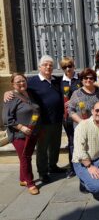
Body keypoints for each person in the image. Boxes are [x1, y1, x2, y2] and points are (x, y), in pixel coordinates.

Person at [2, 73, 41, 195]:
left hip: (32, 132)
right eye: (18, 81)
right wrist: (21, 128)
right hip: (19, 135)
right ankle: (30, 183)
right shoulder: (10, 98)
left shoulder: (30, 94)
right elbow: (6, 119)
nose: (21, 83)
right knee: (26, 158)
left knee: (24, 156)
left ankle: (23, 179)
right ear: (12, 84)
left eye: (23, 80)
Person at [29, 55, 65, 183]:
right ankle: (43, 172)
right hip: (43, 123)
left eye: (50, 65)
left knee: (55, 145)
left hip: (57, 120)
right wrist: (8, 93)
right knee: (42, 148)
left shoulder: (56, 80)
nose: (48, 67)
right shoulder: (32, 82)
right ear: (39, 67)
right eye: (45, 64)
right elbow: (19, 90)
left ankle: (53, 166)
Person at [60, 57, 82, 179]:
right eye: (64, 67)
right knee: (71, 142)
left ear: (74, 66)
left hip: (79, 116)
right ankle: (73, 167)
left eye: (70, 66)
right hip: (67, 118)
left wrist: (73, 101)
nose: (68, 69)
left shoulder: (79, 79)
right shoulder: (59, 82)